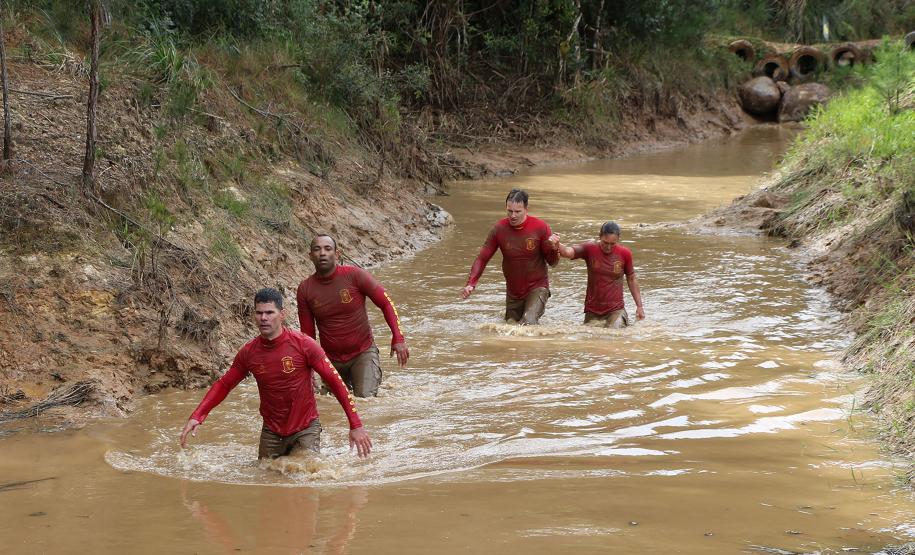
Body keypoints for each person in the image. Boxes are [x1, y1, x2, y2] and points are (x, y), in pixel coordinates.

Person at [179, 288, 372, 459]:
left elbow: (336, 382)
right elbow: (224, 384)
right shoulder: (249, 353)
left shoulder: (304, 345)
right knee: (265, 477)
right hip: (271, 432)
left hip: (305, 428)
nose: (264, 318)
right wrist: (197, 416)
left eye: (269, 312)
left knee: (307, 475)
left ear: (282, 314)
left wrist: (355, 424)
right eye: (259, 313)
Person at [296, 235, 408, 398]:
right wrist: (308, 368)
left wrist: (398, 337)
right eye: (317, 249)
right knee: (331, 403)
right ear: (310, 256)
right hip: (330, 359)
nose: (322, 253)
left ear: (337, 254)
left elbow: (386, 303)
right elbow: (307, 335)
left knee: (365, 400)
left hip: (363, 353)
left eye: (328, 249)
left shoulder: (355, 276)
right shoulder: (305, 289)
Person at [461, 188, 559, 325]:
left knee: (529, 321)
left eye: (517, 211)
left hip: (537, 287)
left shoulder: (540, 227)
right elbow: (482, 258)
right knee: (510, 325)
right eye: (509, 211)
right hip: (513, 292)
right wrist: (471, 283)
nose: (513, 216)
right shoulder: (499, 229)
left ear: (526, 209)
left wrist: (554, 249)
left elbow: (553, 262)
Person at [549, 221, 645, 328]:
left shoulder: (625, 254)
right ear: (600, 237)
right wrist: (557, 244)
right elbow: (567, 252)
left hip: (616, 310)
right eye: (605, 243)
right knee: (589, 335)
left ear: (618, 240)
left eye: (612, 244)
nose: (608, 247)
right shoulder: (590, 248)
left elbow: (631, 279)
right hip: (592, 311)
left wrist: (639, 306)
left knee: (614, 331)